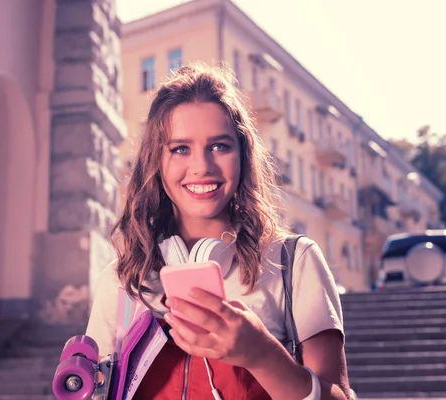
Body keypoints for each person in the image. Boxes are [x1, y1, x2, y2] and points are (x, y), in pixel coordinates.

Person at [86, 62, 351, 400]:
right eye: (180, 148)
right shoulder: (122, 281)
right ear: (156, 160)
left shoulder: (294, 261)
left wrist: (262, 355)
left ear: (243, 154)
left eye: (220, 146)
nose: (202, 167)